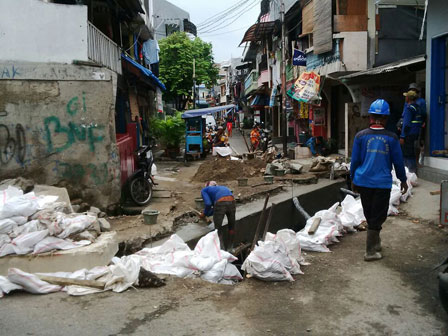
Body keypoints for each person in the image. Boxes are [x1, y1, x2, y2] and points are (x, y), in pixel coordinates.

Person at [351, 99, 408, 262]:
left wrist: (353, 179)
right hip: (382, 184)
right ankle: (370, 250)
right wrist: (403, 180)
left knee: (370, 214)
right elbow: (398, 162)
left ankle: (375, 243)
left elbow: (354, 161)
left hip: (363, 181)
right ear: (386, 118)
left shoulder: (360, 136)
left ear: (370, 117)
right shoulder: (392, 138)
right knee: (378, 215)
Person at [200, 181, 236, 251]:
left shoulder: (204, 190)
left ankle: (221, 249)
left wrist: (204, 214)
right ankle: (230, 248)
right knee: (231, 227)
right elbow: (215, 209)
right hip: (232, 201)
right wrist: (208, 213)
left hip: (220, 201)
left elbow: (208, 204)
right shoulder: (221, 188)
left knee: (218, 228)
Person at [400, 90, 424, 173]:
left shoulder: (409, 108)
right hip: (416, 133)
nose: (405, 98)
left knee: (407, 154)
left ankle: (409, 172)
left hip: (408, 134)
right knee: (412, 153)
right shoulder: (417, 107)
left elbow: (406, 124)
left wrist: (402, 136)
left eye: (406, 96)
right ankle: (413, 171)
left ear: (408, 98)